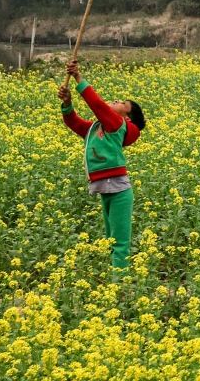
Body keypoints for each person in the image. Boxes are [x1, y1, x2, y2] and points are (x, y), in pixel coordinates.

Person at [58, 60, 146, 268]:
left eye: (120, 104)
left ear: (126, 116)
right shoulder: (99, 127)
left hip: (118, 190)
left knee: (120, 243)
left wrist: (78, 78)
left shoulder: (118, 125)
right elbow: (75, 123)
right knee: (110, 240)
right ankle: (115, 280)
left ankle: (120, 286)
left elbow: (96, 104)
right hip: (107, 189)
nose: (114, 100)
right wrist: (67, 103)